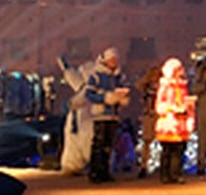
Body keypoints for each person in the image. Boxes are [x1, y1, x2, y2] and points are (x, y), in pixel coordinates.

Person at [84, 47, 130, 183]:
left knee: (108, 145)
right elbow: (89, 94)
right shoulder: (96, 76)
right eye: (112, 59)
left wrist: (121, 98)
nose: (115, 62)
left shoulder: (118, 77)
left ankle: (104, 171)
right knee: (98, 144)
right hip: (100, 114)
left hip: (113, 114)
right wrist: (105, 98)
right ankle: (95, 172)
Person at [154, 57, 195, 183]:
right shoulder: (165, 87)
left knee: (179, 150)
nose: (180, 72)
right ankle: (165, 175)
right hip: (169, 123)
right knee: (167, 150)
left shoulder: (183, 87)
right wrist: (172, 109)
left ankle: (176, 174)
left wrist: (188, 109)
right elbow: (159, 105)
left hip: (181, 123)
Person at [57, 55, 97, 176]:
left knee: (87, 143)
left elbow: (81, 98)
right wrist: (66, 67)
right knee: (72, 143)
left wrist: (70, 104)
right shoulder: (83, 86)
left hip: (87, 119)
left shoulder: (92, 88)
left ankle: (91, 165)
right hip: (77, 120)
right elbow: (74, 80)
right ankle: (71, 165)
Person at [135, 61, 162, 178]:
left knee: (162, 142)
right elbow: (138, 85)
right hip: (149, 115)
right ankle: (144, 165)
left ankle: (162, 164)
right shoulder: (146, 87)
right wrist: (146, 78)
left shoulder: (163, 87)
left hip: (160, 115)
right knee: (147, 141)